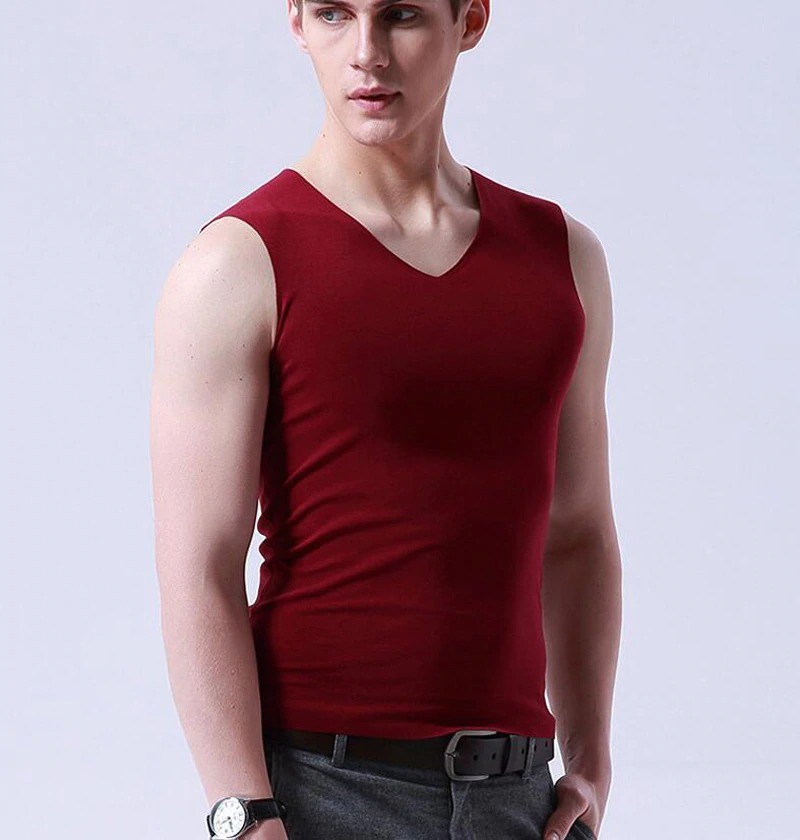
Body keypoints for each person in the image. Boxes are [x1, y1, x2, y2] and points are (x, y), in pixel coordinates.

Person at [149, 0, 621, 837]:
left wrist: (589, 760)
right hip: (317, 791)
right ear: (298, 22)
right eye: (336, 13)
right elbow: (200, 566)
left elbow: (578, 531)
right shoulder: (238, 262)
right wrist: (244, 811)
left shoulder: (562, 258)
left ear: (469, 20)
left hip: (518, 797)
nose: (367, 52)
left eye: (400, 14)